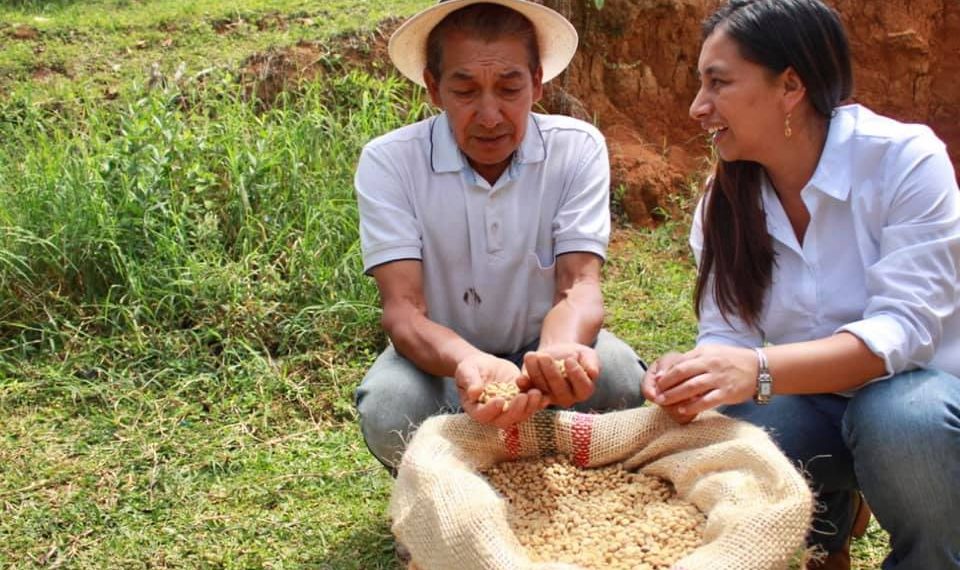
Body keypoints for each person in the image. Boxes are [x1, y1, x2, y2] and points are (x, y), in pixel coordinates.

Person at [642, 0, 960, 568]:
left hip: (923, 398)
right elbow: (726, 334)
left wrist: (757, 369)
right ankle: (827, 524)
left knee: (898, 421)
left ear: (791, 85)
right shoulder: (724, 202)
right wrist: (698, 374)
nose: (697, 107)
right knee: (721, 431)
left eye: (718, 84)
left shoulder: (904, 160)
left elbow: (905, 329)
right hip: (813, 405)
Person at [354, 0, 645, 474]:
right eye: (465, 90)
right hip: (444, 363)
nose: (490, 116)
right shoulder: (390, 163)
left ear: (537, 82)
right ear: (433, 88)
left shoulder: (577, 148)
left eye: (510, 88)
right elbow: (404, 313)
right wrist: (469, 363)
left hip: (542, 346)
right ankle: (453, 488)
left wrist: (552, 358)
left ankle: (565, 476)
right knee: (391, 409)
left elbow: (579, 287)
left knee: (616, 380)